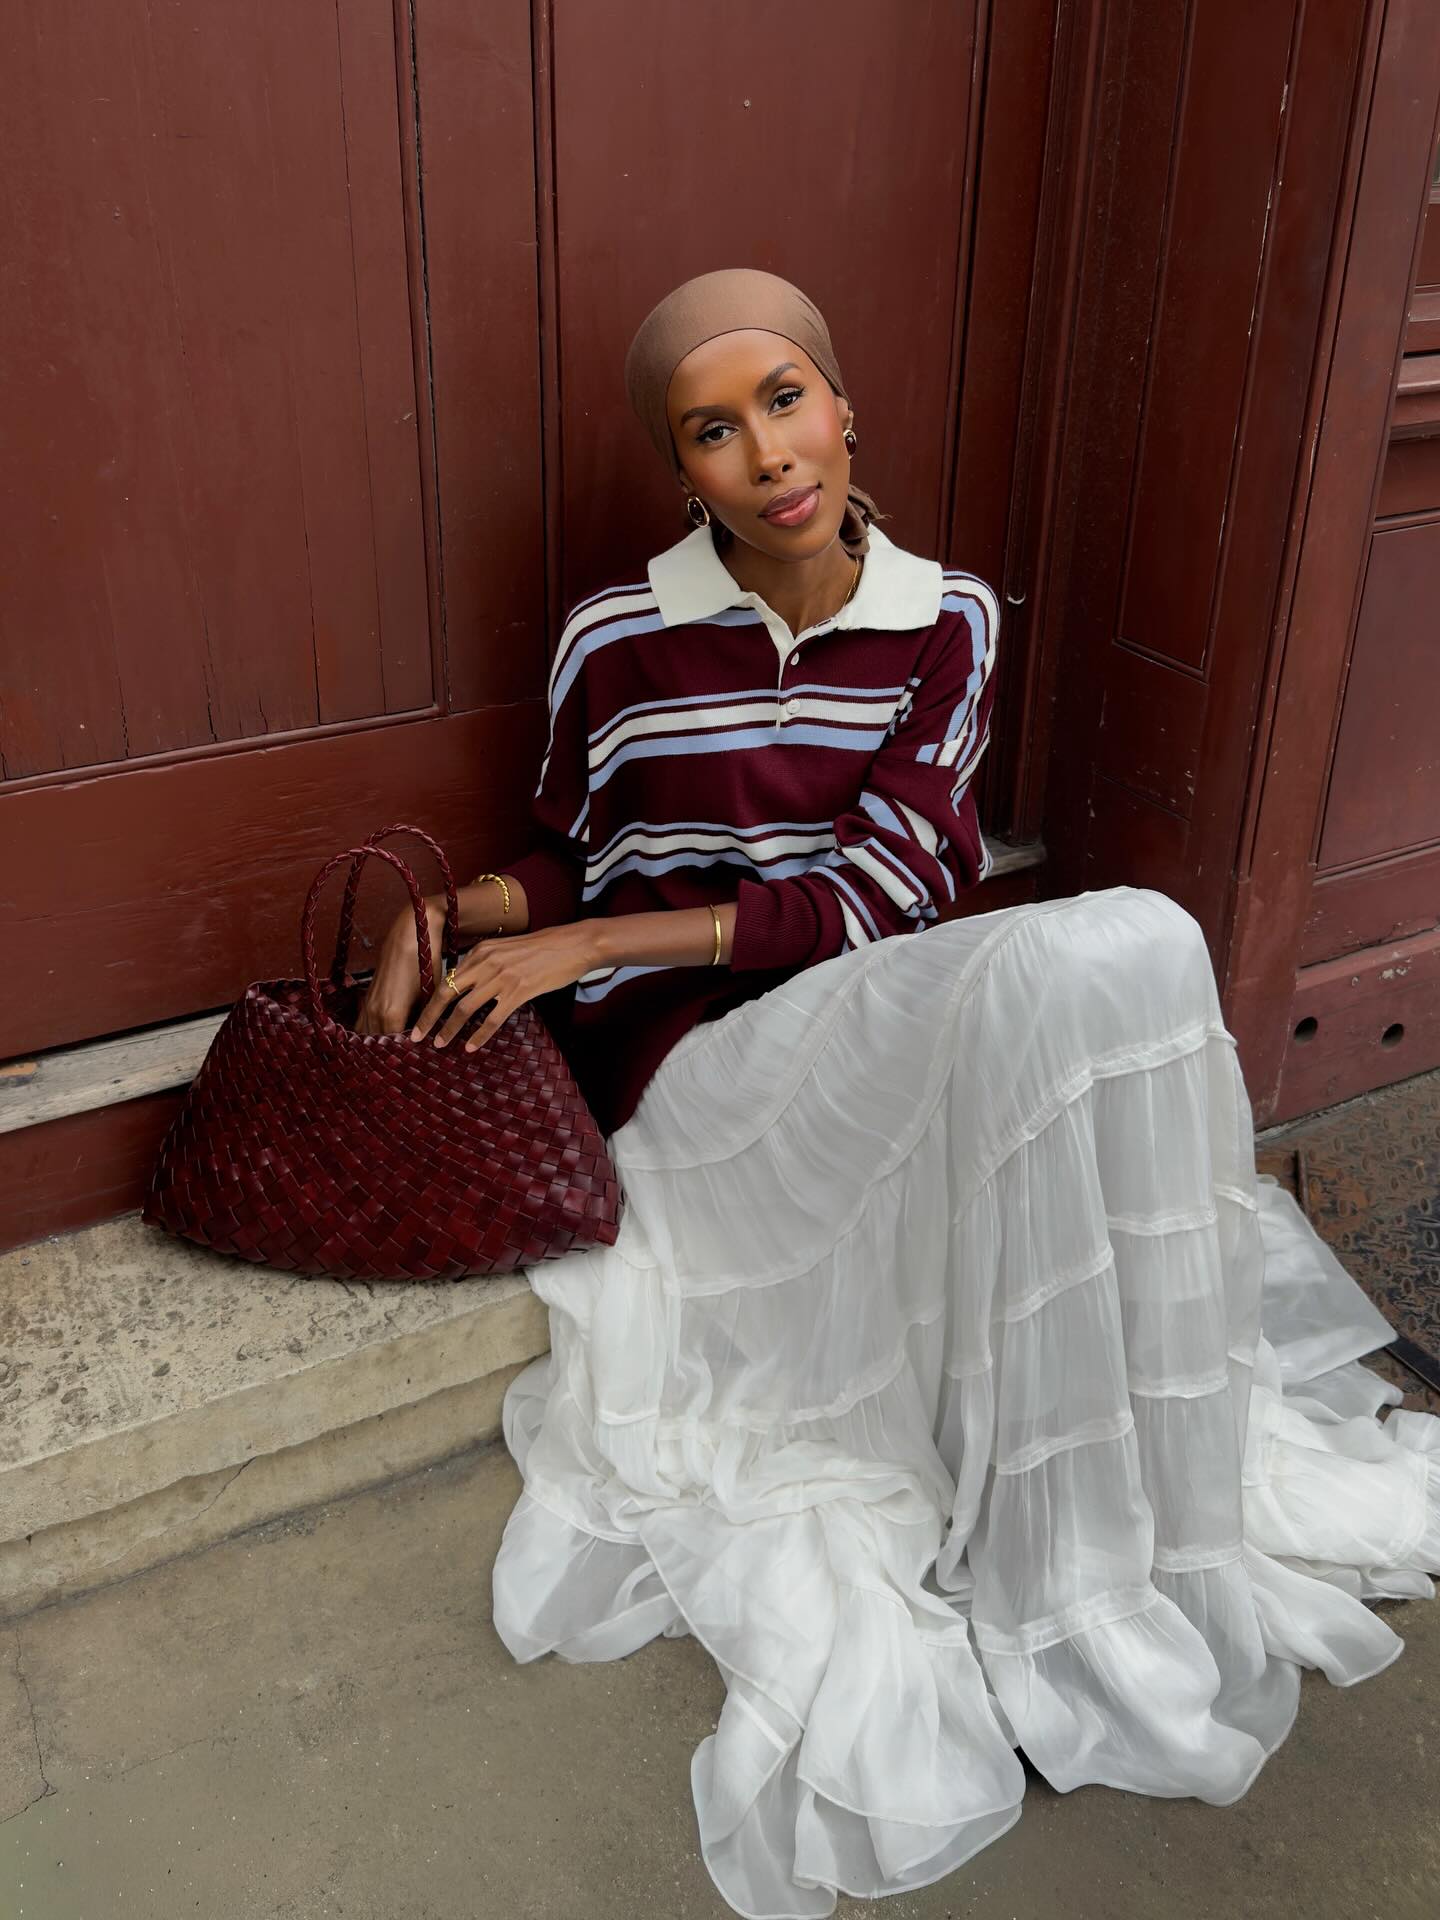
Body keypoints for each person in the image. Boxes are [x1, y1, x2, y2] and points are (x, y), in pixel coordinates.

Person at [357, 269, 1440, 1920]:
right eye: (710, 431)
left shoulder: (953, 620)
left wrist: (584, 940)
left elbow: (879, 898)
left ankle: (1083, 1529)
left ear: (845, 406)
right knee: (1106, 950)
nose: (763, 452)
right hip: (693, 1076)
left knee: (1123, 952)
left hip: (866, 1016)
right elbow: (571, 847)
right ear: (683, 470)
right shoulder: (616, 636)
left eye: (784, 399)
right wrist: (458, 915)